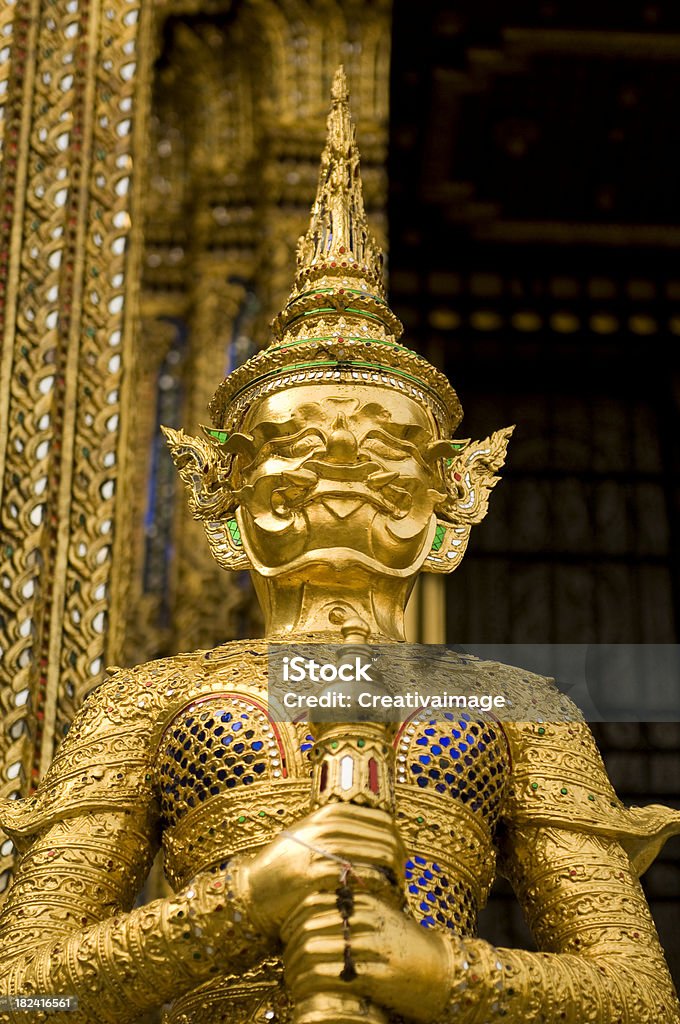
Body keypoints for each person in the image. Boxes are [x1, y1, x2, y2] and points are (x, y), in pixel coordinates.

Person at [1, 67, 679, 1024]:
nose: (341, 467)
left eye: (383, 446)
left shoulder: (521, 709)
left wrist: (435, 972)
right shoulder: (146, 701)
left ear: (454, 497)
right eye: (299, 444)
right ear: (222, 493)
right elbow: (29, 994)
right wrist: (247, 898)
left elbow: (638, 998)